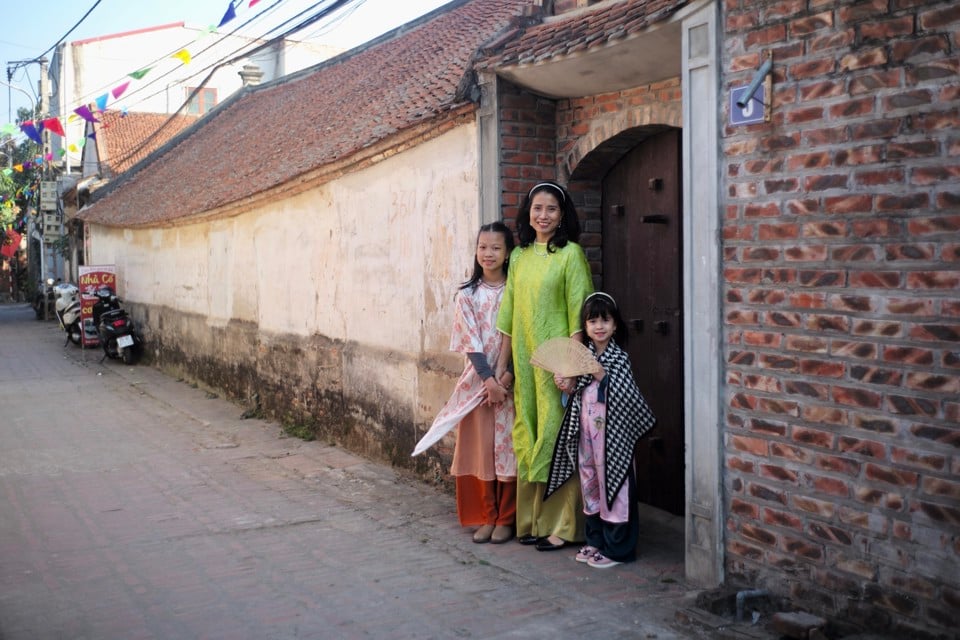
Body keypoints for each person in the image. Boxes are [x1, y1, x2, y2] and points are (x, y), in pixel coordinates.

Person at [495, 181, 594, 551]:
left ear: (562, 214)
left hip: (557, 369)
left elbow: (578, 316)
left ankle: (564, 525)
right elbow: (508, 316)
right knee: (528, 435)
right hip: (524, 363)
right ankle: (532, 519)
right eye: (538, 208)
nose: (544, 215)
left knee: (556, 436)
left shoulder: (571, 255)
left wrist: (569, 367)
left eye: (552, 209)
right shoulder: (518, 256)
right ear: (528, 212)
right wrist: (504, 367)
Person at [413, 222, 517, 544]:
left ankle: (507, 518)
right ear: (476, 251)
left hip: (513, 381)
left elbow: (521, 334)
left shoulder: (516, 290)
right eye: (483, 247)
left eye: (496, 247)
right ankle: (486, 515)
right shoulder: (468, 295)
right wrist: (489, 381)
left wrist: (507, 375)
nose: (488, 253)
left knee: (508, 449)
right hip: (479, 384)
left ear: (508, 252)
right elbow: (470, 342)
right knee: (482, 451)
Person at [546, 292, 656, 568]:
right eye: (592, 320)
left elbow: (629, 397)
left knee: (615, 487)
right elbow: (576, 394)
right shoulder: (586, 357)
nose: (599, 326)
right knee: (590, 484)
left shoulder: (619, 359)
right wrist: (567, 385)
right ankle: (596, 540)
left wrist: (601, 375)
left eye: (605, 320)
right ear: (585, 327)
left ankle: (618, 549)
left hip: (613, 440)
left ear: (615, 325)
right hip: (588, 438)